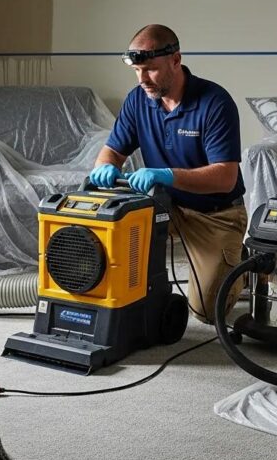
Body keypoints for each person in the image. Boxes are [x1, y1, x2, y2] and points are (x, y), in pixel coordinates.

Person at [89, 24, 246, 323]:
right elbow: (113, 151)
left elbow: (225, 177)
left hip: (215, 214)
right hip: (163, 206)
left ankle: (240, 266)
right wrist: (104, 167)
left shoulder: (215, 102)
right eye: (137, 70)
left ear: (176, 60)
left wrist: (166, 175)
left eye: (150, 69)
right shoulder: (138, 100)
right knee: (115, 244)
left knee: (208, 311)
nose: (142, 79)